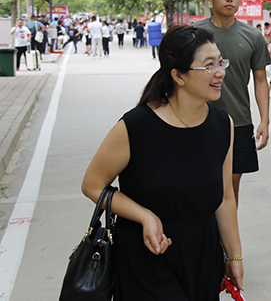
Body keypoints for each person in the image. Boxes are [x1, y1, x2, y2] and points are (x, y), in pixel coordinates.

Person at [81, 25, 244, 300]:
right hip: (147, 257)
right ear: (178, 76)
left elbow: (226, 197)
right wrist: (144, 215)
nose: (220, 72)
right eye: (209, 65)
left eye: (220, 62)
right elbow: (92, 185)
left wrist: (234, 255)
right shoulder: (136, 126)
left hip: (202, 257)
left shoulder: (222, 124)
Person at [194, 0, 271, 206]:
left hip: (238, 122)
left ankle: (227, 231)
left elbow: (260, 80)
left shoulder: (253, 36)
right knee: (200, 182)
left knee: (231, 185)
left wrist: (265, 120)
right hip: (198, 121)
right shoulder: (194, 35)